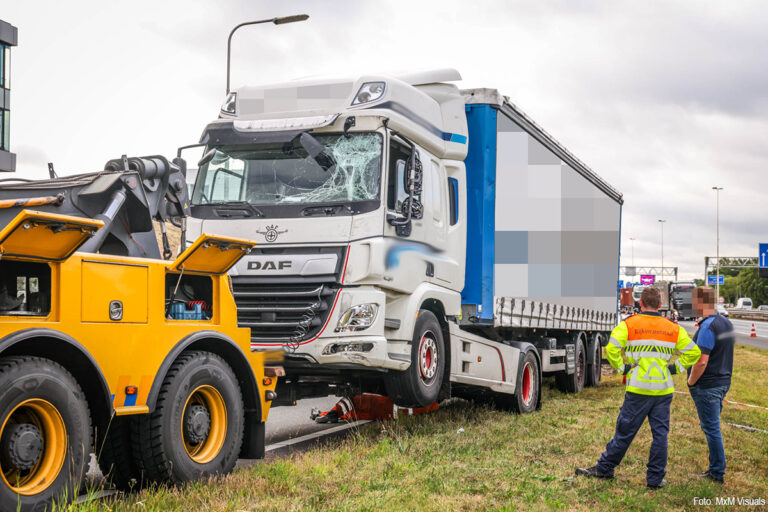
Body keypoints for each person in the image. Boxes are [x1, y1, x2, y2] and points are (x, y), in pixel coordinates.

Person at [575, 287, 701, 488]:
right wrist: (674, 368)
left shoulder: (628, 325)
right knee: (660, 435)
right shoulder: (673, 328)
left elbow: (613, 348)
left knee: (625, 432)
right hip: (663, 390)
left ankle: (605, 468)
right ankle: (655, 479)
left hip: (638, 389)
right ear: (660, 305)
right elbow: (693, 353)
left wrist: (622, 368)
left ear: (639, 304)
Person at [688, 286, 735, 484]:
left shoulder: (707, 326)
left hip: (708, 385)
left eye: (693, 301)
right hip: (723, 381)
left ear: (700, 303)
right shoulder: (726, 323)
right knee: (712, 426)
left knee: (711, 428)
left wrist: (691, 381)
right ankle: (715, 468)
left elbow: (701, 361)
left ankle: (717, 472)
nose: (692, 306)